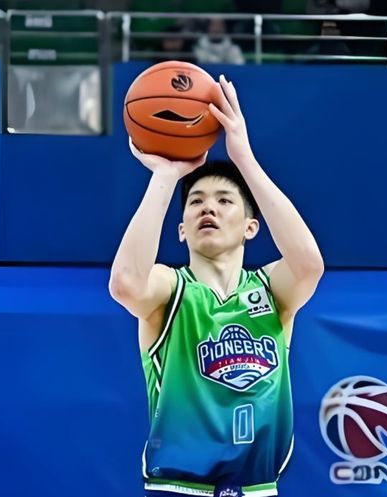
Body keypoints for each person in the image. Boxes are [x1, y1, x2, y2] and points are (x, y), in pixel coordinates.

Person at [109, 74, 324, 497]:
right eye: (196, 201)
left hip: (259, 488)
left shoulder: (271, 292)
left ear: (250, 227)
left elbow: (309, 265)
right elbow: (126, 284)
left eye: (225, 201)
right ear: (182, 230)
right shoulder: (171, 290)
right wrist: (165, 177)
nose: (208, 207)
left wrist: (244, 158)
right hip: (178, 488)